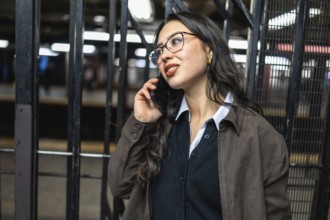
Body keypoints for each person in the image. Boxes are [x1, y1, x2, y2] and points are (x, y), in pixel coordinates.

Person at [108, 11, 291, 220]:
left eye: (176, 41)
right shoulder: (161, 124)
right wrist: (141, 122)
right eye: (158, 52)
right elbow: (120, 185)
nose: (164, 55)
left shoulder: (260, 136)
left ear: (209, 49)